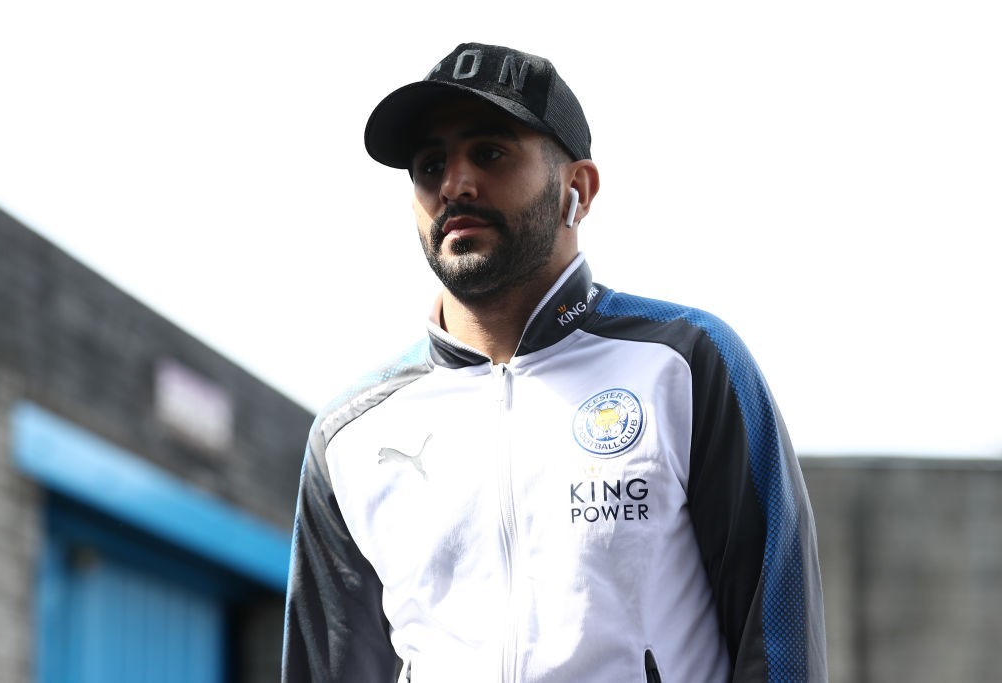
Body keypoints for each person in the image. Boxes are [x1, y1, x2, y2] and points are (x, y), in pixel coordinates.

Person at [282, 42, 826, 682]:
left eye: (489, 153)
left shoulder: (685, 364)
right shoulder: (350, 435)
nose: (455, 184)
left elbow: (778, 639)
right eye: (430, 166)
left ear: (578, 188)